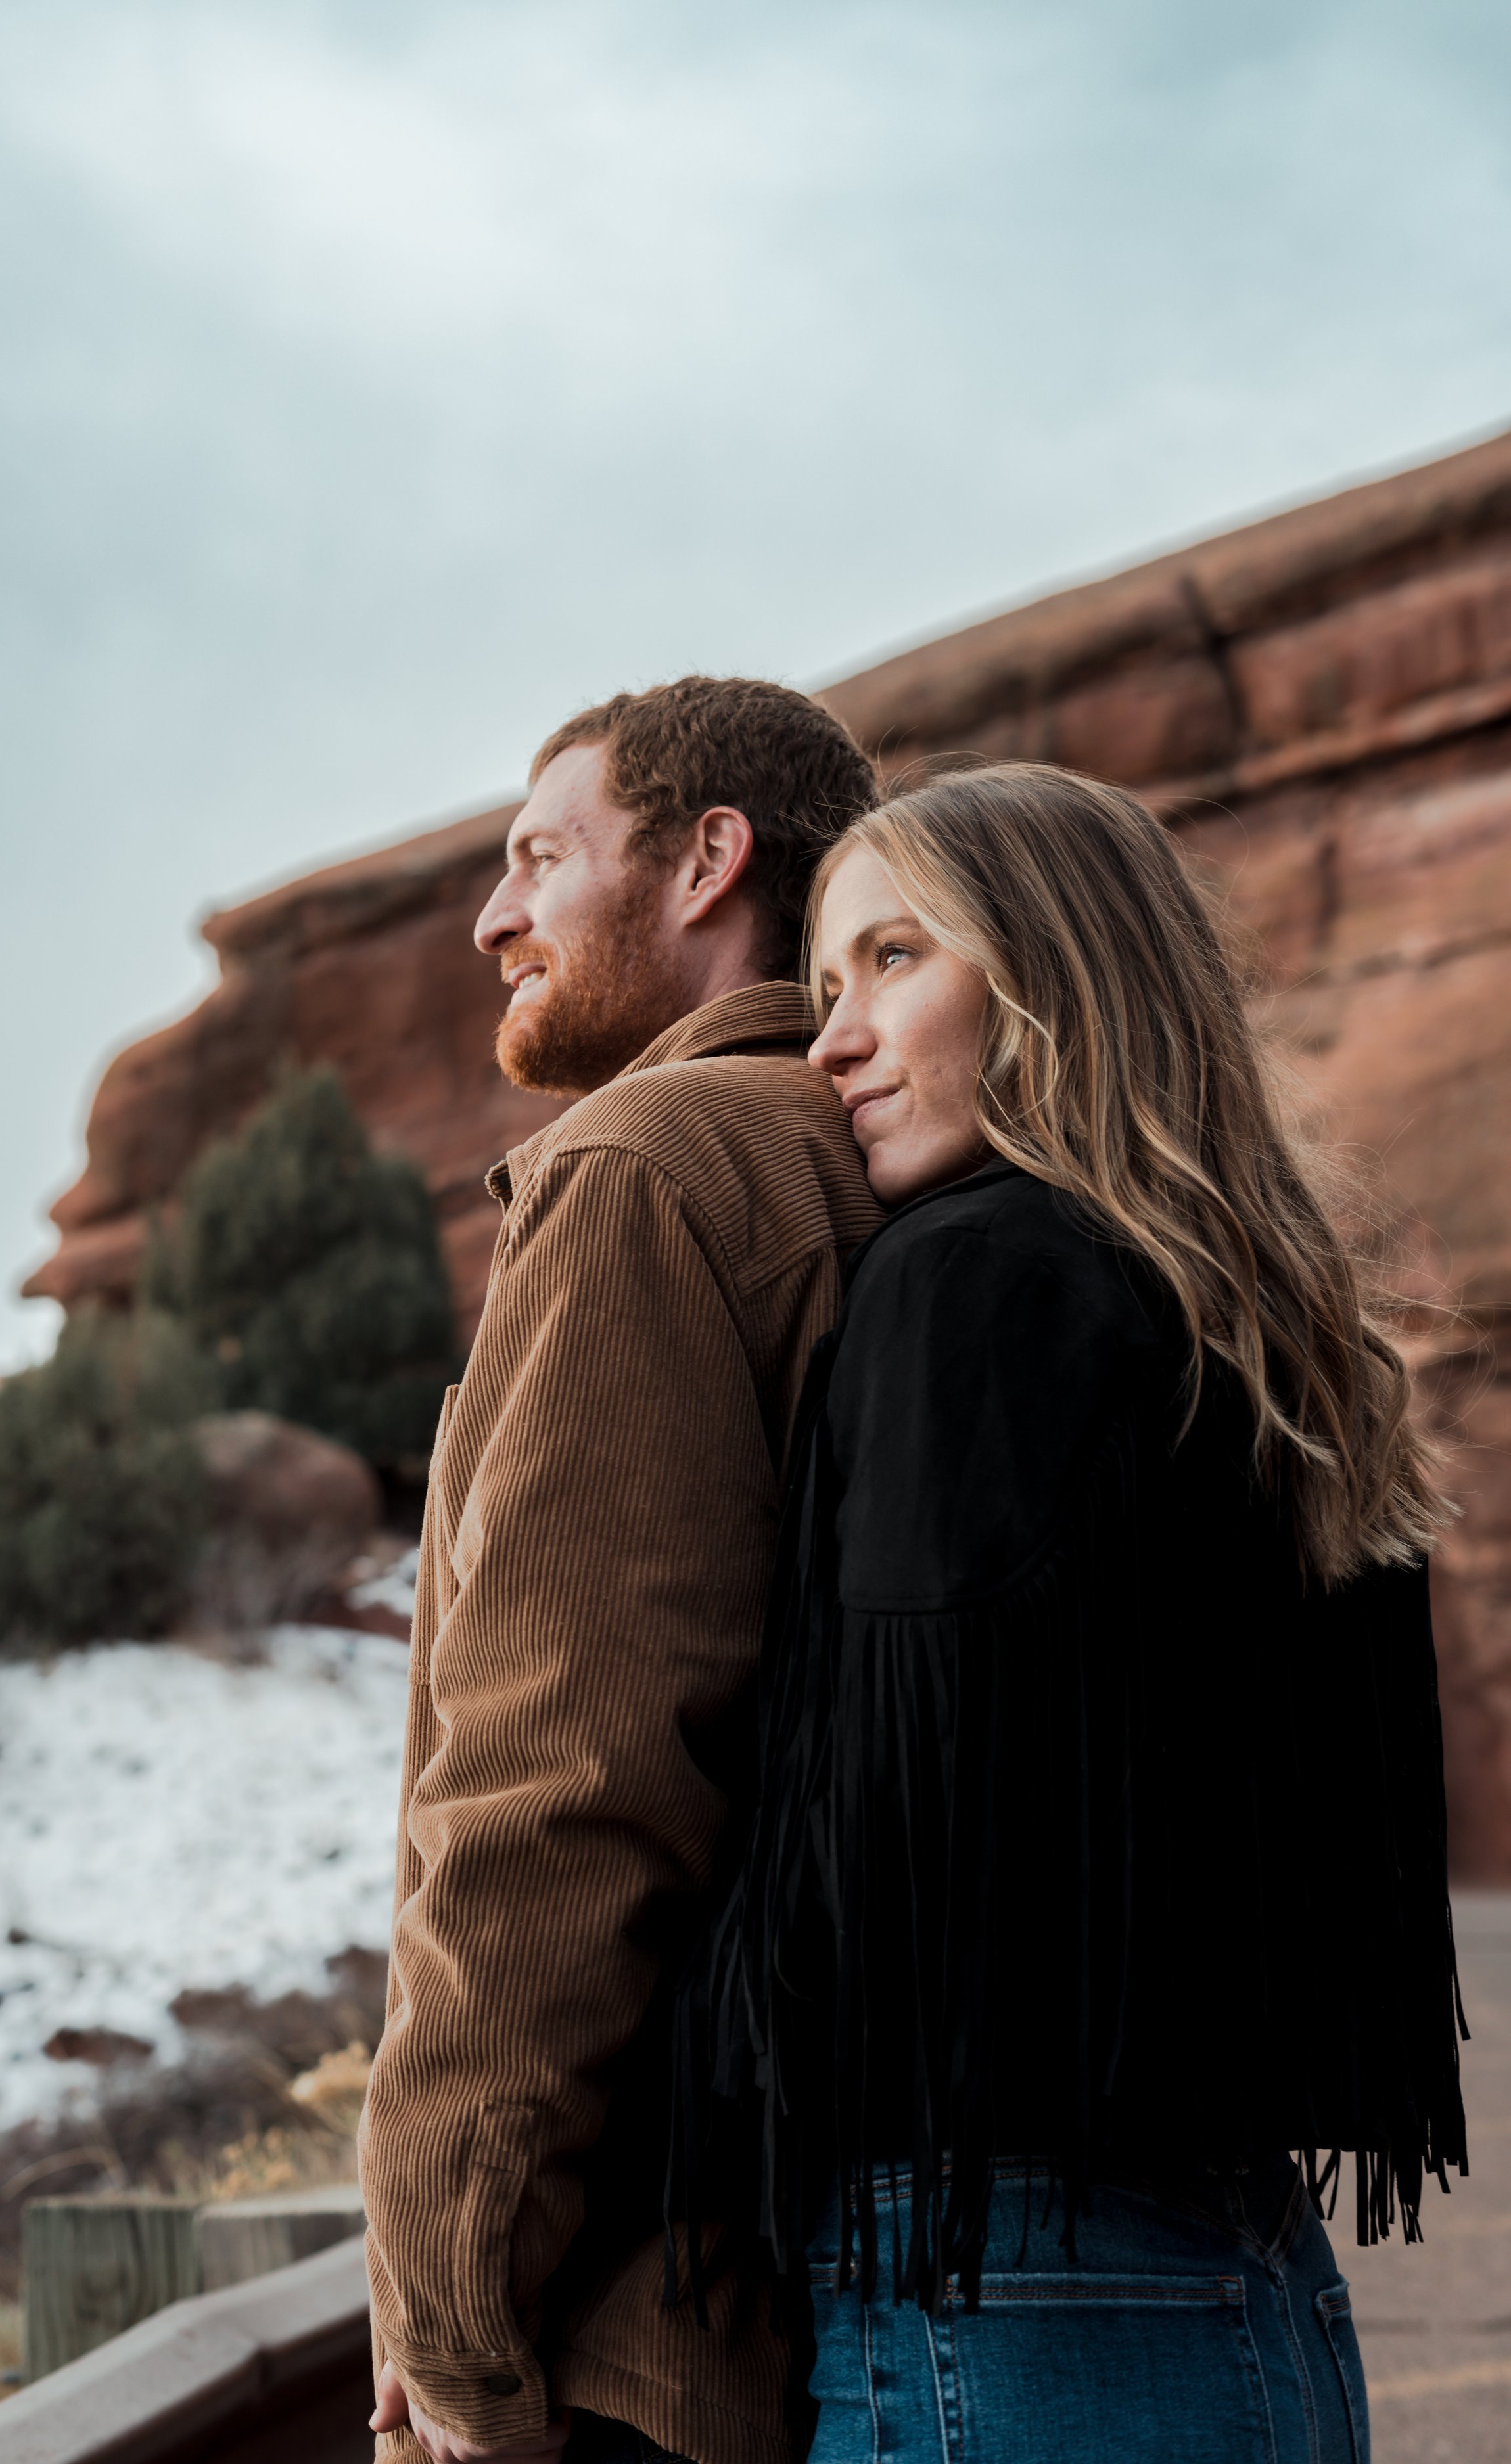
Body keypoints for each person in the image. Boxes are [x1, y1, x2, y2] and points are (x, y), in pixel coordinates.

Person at [670, 762, 1467, 2464]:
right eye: (823, 983)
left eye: (894, 960)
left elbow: (882, 1856)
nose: (832, 1040)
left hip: (997, 2297)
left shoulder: (964, 1283)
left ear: (1057, 974)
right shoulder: (1252, 1317)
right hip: (1242, 2274)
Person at [361, 676, 885, 2464]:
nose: (495, 920)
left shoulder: (646, 1170)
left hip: (646, 2314)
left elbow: (560, 1781)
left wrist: (447, 2313)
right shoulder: (874, 1148)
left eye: (539, 859)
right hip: (840, 2244)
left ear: (705, 862)